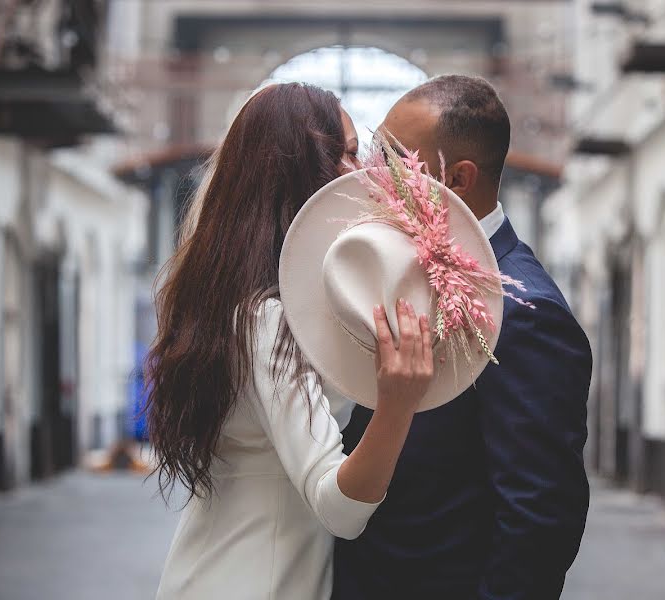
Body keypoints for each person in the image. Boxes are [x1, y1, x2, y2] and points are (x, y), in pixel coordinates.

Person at [147, 83, 436, 600]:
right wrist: (398, 405)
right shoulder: (269, 321)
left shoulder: (230, 300)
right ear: (301, 172)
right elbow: (339, 509)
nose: (363, 171)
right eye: (347, 153)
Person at [333, 75, 594, 600]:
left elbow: (538, 517)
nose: (373, 173)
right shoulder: (401, 268)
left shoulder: (527, 313)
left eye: (394, 159)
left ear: (458, 177)